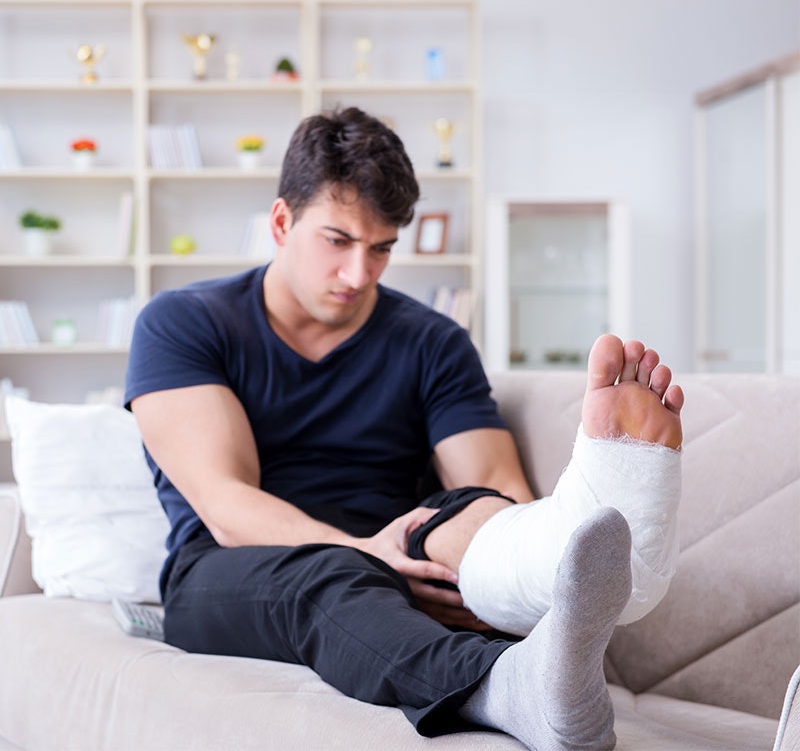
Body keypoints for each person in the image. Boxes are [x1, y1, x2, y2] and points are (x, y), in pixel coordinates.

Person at [125, 106, 684, 751]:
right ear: (282, 222)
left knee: (473, 514)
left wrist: (483, 570)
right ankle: (506, 685)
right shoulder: (183, 323)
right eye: (337, 241)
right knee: (328, 574)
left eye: (382, 248)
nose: (359, 275)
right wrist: (363, 550)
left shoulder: (433, 341)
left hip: (398, 555)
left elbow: (493, 484)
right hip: (232, 571)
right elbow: (226, 505)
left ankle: (545, 573)